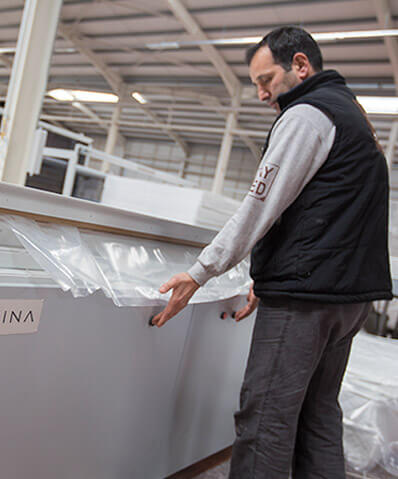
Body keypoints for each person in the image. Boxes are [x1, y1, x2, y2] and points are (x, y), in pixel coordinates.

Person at [150, 26, 393, 478]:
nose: (261, 94)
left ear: (300, 65)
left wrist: (200, 272)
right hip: (350, 298)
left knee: (265, 420)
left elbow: (261, 205)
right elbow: (327, 212)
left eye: (266, 80)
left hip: (305, 301)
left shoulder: (306, 116)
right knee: (319, 416)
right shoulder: (352, 114)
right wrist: (268, 274)